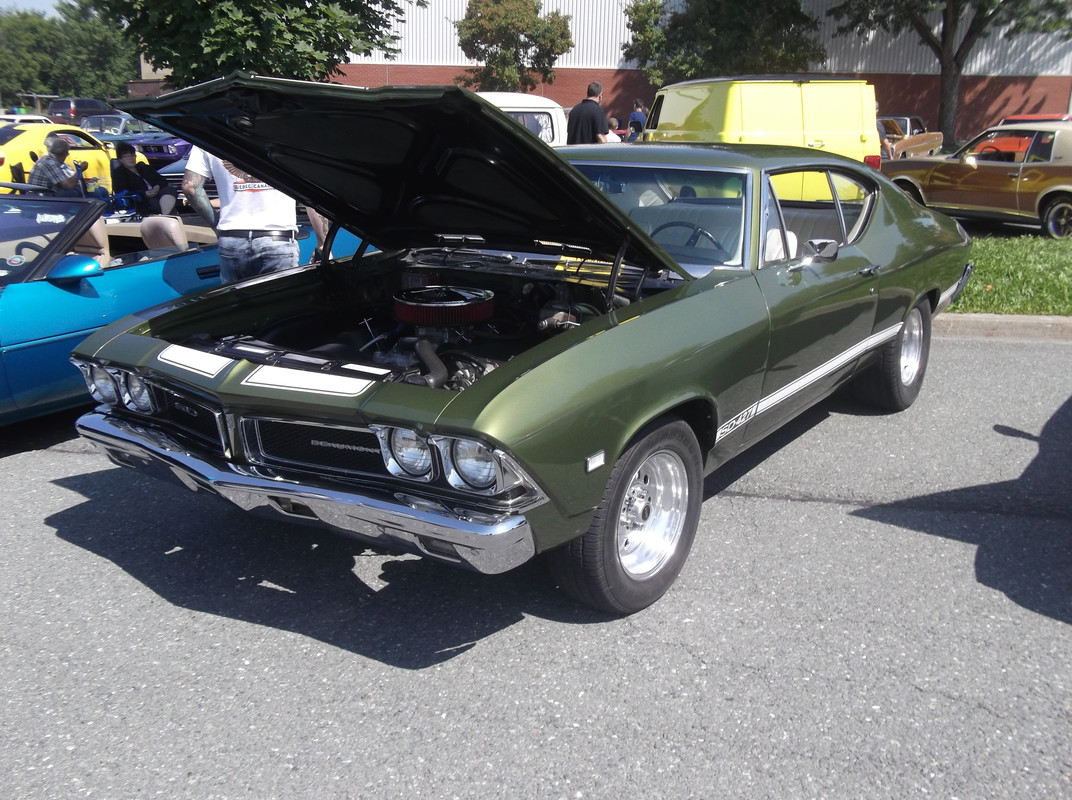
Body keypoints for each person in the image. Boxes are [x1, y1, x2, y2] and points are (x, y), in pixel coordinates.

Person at [182, 145, 299, 283]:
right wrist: (322, 243)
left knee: (238, 302)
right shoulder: (287, 133)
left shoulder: (208, 136)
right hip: (278, 238)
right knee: (280, 303)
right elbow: (313, 190)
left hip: (232, 238)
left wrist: (216, 223)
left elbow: (190, 187)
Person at [111, 142, 178, 216]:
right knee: (161, 204)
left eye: (133, 155)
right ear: (120, 159)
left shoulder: (143, 167)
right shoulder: (119, 173)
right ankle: (167, 216)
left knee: (170, 190)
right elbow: (121, 192)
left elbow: (162, 180)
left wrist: (158, 186)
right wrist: (144, 194)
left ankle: (165, 215)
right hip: (141, 199)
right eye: (127, 156)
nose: (131, 158)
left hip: (158, 193)